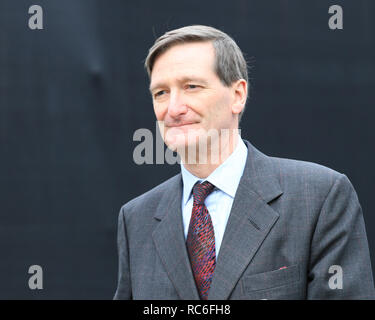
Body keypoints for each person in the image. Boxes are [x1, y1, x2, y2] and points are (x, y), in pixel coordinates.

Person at [114, 25, 375, 299]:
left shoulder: (319, 198)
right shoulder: (136, 220)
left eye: (191, 86)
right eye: (161, 93)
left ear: (237, 95)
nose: (173, 108)